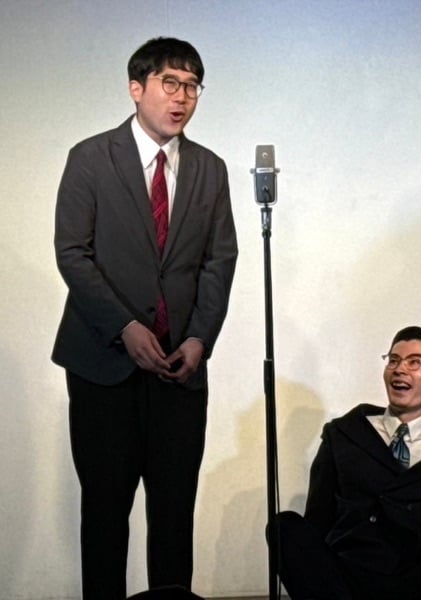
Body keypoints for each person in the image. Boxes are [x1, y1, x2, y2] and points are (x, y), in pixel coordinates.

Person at [52, 37, 238, 600]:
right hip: (102, 366)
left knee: (174, 511)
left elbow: (219, 260)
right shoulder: (91, 157)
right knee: (105, 512)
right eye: (169, 83)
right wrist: (123, 327)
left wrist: (200, 338)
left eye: (192, 86)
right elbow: (73, 253)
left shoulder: (210, 169)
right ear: (137, 88)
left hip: (179, 371)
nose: (182, 98)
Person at [270, 326, 421, 600]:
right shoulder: (344, 432)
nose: (399, 369)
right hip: (350, 575)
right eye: (393, 360)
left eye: (414, 362)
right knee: (284, 526)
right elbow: (318, 518)